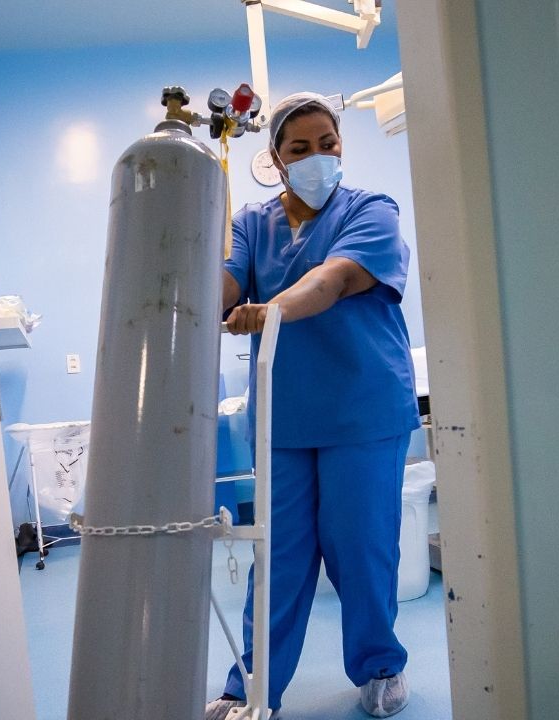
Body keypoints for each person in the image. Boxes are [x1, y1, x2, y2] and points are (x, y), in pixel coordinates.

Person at [205, 92, 420, 719]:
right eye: (300, 149)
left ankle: (380, 664)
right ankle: (250, 687)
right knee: (278, 555)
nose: (318, 157)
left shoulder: (372, 210)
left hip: (364, 408)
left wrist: (271, 309)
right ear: (276, 158)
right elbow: (224, 280)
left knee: (361, 545)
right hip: (286, 417)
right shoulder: (249, 223)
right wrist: (195, 286)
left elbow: (333, 279)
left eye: (328, 144)